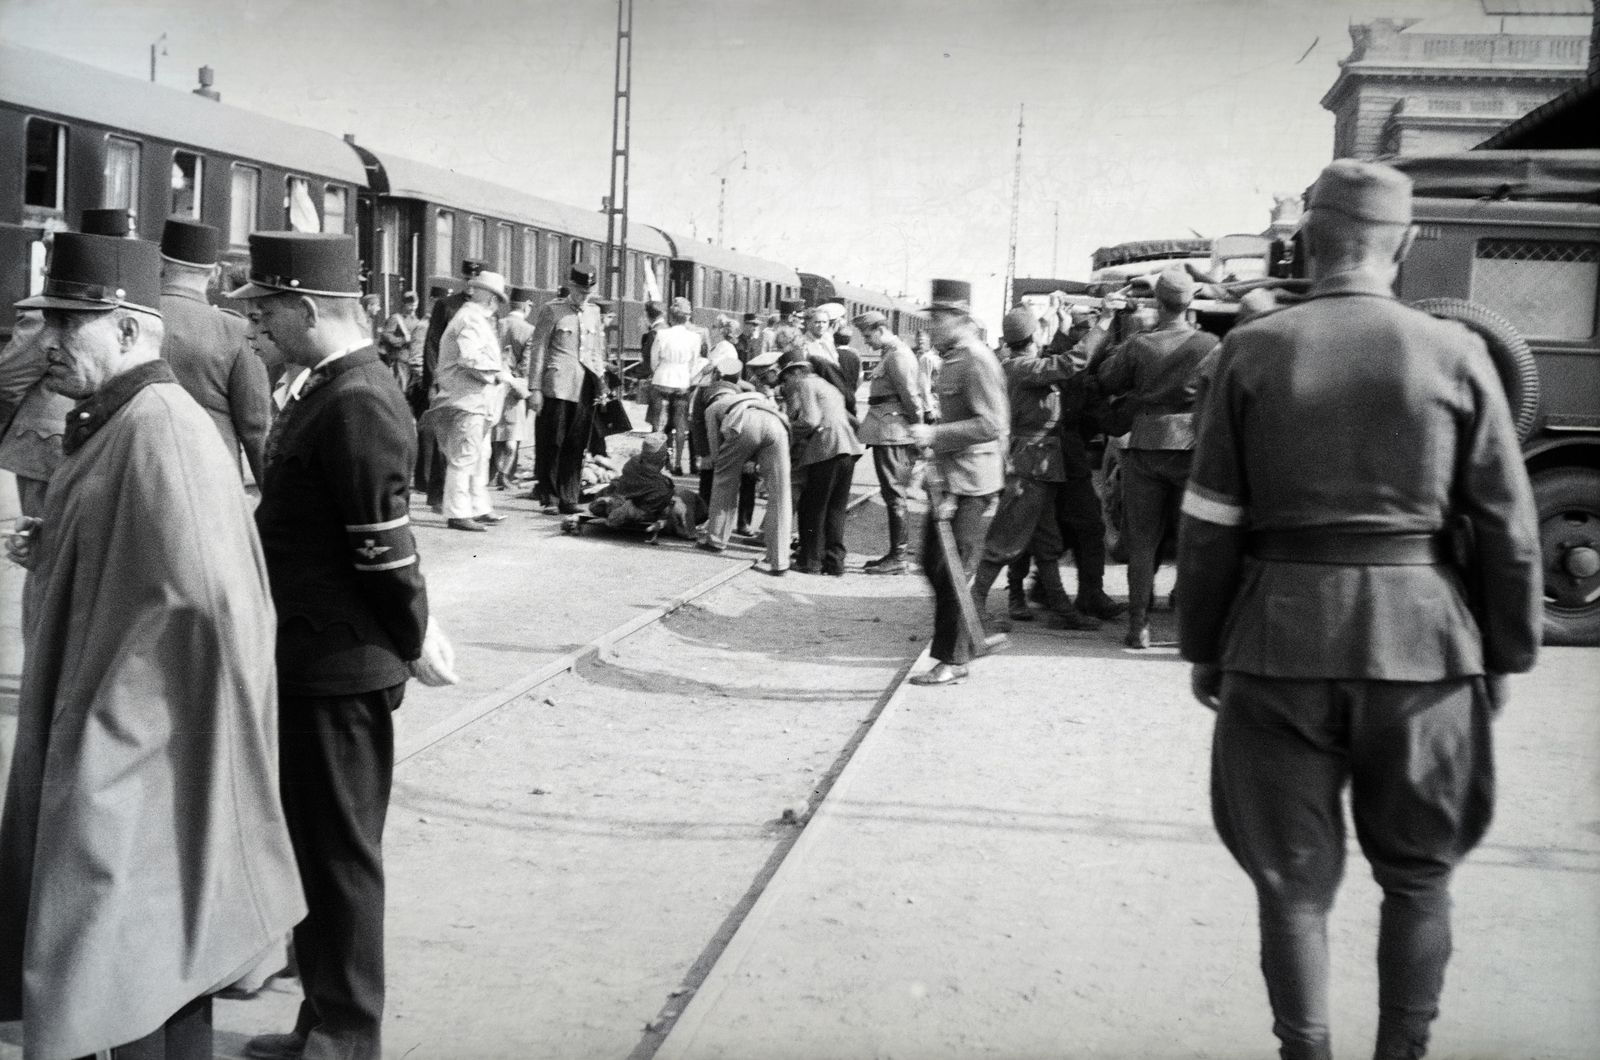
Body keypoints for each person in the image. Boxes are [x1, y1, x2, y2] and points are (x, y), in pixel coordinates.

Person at [1177, 159, 1542, 1060]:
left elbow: (1212, 521)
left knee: (1292, 887)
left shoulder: (1252, 350)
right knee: (1418, 877)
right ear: (1407, 244)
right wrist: (1502, 655)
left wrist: (1206, 646)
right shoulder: (1457, 353)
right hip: (1427, 648)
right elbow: (1509, 526)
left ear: (1308, 243)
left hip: (1276, 640)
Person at [0, 231, 304, 1060]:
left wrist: (112, 724)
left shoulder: (159, 429)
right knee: (153, 955)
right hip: (129, 737)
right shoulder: (121, 416)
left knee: (126, 950)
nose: (49, 345)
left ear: (132, 330)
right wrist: (57, 542)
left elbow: (210, 608)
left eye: (72, 326)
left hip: (142, 748)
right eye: (47, 323)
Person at [229, 232, 459, 1060]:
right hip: (310, 657)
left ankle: (349, 1033)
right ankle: (320, 1017)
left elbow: (382, 544)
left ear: (307, 307)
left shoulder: (356, 397)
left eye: (264, 311)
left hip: (340, 663)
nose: (255, 327)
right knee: (314, 851)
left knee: (341, 857)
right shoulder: (329, 386)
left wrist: (415, 633)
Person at [1093, 263, 1220, 648]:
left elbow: (1107, 380)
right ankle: (1189, 626)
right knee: (1192, 539)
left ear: (1157, 301)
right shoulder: (1210, 345)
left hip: (1146, 444)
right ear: (1190, 301)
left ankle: (1138, 627)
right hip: (1192, 448)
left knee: (1143, 541)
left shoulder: (1139, 344)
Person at [968, 306, 1100, 631]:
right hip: (1031, 464)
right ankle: (972, 608)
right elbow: (1069, 363)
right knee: (1005, 540)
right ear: (1031, 338)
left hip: (1038, 462)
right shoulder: (1021, 367)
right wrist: (1105, 323)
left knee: (1046, 540)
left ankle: (1061, 607)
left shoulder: (1019, 364)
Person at [0, 211, 135, 516]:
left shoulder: (50, 308)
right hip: (89, 442)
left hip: (51, 442)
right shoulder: (139, 305)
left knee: (46, 543)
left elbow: (10, 378)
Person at [906, 280, 1007, 686]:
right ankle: (968, 636)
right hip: (953, 477)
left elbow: (992, 423)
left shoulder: (977, 360)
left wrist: (935, 436)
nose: (931, 326)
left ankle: (954, 658)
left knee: (949, 570)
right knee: (933, 564)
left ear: (960, 319)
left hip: (974, 481)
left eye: (938, 318)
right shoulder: (952, 358)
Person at [157, 217, 273, 482]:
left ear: (160, 265)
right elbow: (256, 430)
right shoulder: (234, 331)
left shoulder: (134, 321)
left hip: (139, 476)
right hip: (212, 479)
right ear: (215, 273)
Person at [429, 271, 525, 531]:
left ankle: (479, 507)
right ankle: (458, 511)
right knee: (465, 456)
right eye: (495, 296)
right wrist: (501, 377)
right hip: (466, 399)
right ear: (488, 296)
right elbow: (470, 359)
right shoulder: (470, 319)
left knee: (480, 455)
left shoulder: (478, 318)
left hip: (477, 400)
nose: (497, 302)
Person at [528, 264, 605, 513]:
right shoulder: (553, 311)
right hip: (557, 386)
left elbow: (596, 352)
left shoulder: (594, 313)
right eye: (581, 290)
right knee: (553, 441)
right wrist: (535, 388)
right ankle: (549, 496)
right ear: (571, 286)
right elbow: (538, 349)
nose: (585, 295)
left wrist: (601, 384)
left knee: (577, 442)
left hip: (584, 386)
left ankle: (569, 496)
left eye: (589, 291)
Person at [778, 349, 862, 575]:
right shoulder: (829, 385)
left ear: (796, 372)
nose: (786, 385)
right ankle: (834, 562)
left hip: (826, 450)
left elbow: (810, 420)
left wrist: (785, 431)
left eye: (785, 379)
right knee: (836, 508)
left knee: (812, 507)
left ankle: (810, 561)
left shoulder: (804, 384)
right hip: (848, 451)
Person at [854, 309, 924, 575]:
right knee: (892, 494)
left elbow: (911, 397)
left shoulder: (898, 356)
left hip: (893, 432)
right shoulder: (891, 354)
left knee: (894, 495)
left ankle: (898, 556)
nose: (866, 341)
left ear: (881, 330)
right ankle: (897, 554)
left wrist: (917, 428)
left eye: (868, 335)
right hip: (886, 430)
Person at [417, 261, 485, 507]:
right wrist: (434, 382)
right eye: (467, 279)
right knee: (442, 438)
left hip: (472, 383)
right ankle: (437, 496)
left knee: (469, 443)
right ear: (462, 279)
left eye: (475, 282)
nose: (470, 285)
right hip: (447, 381)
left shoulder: (484, 308)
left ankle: (464, 498)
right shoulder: (446, 306)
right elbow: (432, 344)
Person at [647, 298, 705, 475]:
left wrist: (660, 371)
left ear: (670, 318)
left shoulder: (662, 334)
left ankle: (659, 462)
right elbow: (694, 363)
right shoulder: (695, 337)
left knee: (659, 425)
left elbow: (653, 360)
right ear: (686, 318)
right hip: (682, 382)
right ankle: (679, 464)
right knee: (681, 426)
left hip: (662, 379)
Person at [493, 286, 537, 489]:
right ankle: (504, 475)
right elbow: (526, 367)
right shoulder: (528, 331)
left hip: (493, 387)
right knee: (512, 436)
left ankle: (491, 475)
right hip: (513, 391)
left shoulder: (496, 325)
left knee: (493, 433)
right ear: (527, 306)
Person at [378, 290, 421, 393]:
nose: (413, 308)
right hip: (400, 359)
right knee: (400, 389)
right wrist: (402, 340)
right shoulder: (396, 319)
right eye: (410, 305)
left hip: (413, 360)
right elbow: (386, 335)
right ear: (404, 304)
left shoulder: (417, 321)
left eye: (415, 305)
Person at [914, 329, 941, 423]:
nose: (920, 342)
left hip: (935, 403)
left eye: (922, 340)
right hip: (932, 405)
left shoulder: (930, 357)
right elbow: (924, 385)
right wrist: (928, 409)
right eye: (918, 340)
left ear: (929, 341)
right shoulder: (926, 359)